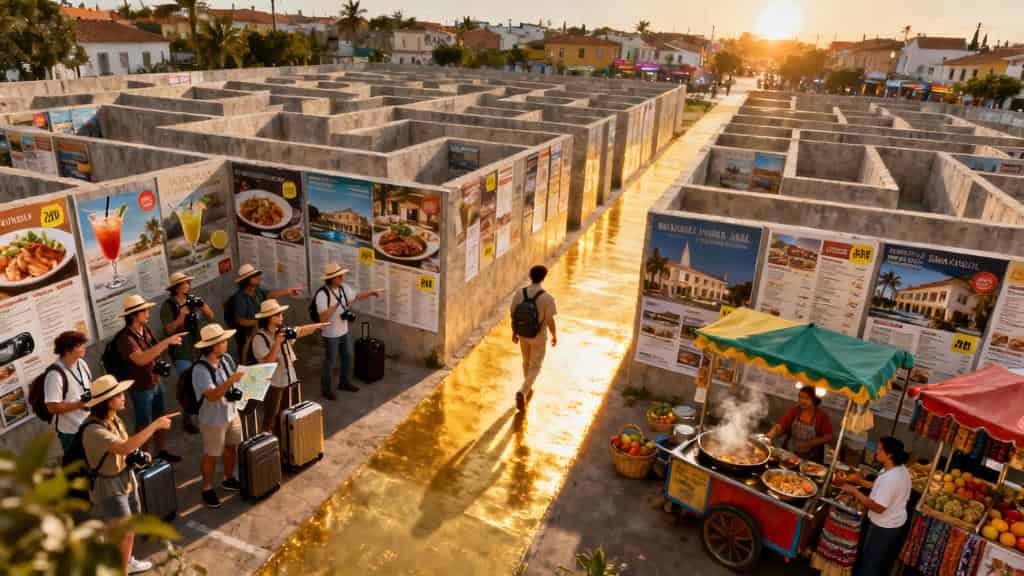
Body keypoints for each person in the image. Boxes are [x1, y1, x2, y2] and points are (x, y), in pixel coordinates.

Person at [81, 374, 176, 574]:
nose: (124, 396)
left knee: (123, 531)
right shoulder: (93, 430)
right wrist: (155, 425)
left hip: (125, 479)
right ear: (107, 401)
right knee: (126, 533)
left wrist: (138, 455)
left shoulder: (113, 419)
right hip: (110, 487)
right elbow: (123, 447)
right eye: (118, 394)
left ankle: (124, 562)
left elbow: (125, 448)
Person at [115, 294, 184, 463]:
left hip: (155, 381)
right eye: (144, 311)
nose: (148, 313)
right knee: (144, 425)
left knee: (160, 418)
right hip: (141, 387)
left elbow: (153, 351)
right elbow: (141, 359)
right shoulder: (125, 338)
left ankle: (161, 451)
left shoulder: (145, 330)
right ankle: (143, 459)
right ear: (134, 315)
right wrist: (166, 342)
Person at [248, 299, 324, 435]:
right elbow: (266, 362)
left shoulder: (282, 331)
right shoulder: (259, 338)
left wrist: (318, 326)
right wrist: (277, 343)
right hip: (274, 385)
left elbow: (299, 331)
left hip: (291, 381)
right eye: (277, 314)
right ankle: (268, 446)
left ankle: (288, 446)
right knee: (271, 418)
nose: (281, 316)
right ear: (268, 318)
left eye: (281, 313)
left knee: (291, 415)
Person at [192, 323, 245, 508]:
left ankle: (228, 478)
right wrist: (231, 380)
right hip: (213, 421)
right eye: (223, 341)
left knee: (232, 447)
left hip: (231, 413)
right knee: (212, 455)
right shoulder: (200, 370)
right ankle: (207, 488)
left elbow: (233, 384)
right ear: (213, 346)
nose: (226, 343)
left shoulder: (226, 359)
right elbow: (213, 396)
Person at [842, 436, 913, 576]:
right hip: (893, 522)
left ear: (889, 454)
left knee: (870, 561)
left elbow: (878, 507)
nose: (876, 452)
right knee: (873, 558)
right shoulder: (896, 468)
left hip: (884, 526)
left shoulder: (892, 478)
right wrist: (860, 481)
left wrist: (854, 491)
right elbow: (878, 487)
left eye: (880, 449)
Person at [314, 263, 383, 400]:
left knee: (348, 356)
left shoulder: (344, 288)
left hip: (344, 331)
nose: (342, 278)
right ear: (332, 278)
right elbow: (322, 318)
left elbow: (355, 296)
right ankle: (326, 389)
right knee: (330, 361)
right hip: (330, 334)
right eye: (339, 276)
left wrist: (371, 292)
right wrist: (336, 306)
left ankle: (344, 382)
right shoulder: (322, 294)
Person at [510, 264, 557, 412]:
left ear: (530, 276)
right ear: (543, 277)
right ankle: (523, 391)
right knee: (535, 366)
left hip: (523, 333)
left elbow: (513, 314)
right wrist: (554, 334)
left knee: (526, 361)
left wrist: (514, 332)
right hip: (538, 336)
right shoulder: (547, 298)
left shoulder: (520, 293)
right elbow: (549, 319)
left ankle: (527, 387)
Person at [230, 264, 302, 353]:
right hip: (249, 335)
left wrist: (288, 291)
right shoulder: (240, 298)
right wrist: (259, 322)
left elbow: (270, 294)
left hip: (263, 328)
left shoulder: (257, 291)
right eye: (254, 276)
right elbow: (240, 321)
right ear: (246, 280)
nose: (258, 277)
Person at [44, 330, 92, 452]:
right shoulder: (54, 375)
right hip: (71, 432)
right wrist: (80, 404)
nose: (83, 348)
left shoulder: (81, 363)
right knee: (78, 468)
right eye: (78, 346)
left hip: (89, 425)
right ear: (67, 350)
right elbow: (52, 407)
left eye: (82, 344)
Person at [161, 272, 214, 374]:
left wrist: (202, 304)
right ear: (176, 288)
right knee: (188, 381)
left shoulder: (192, 300)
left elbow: (211, 316)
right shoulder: (168, 306)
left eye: (188, 282)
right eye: (183, 283)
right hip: (182, 353)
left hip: (199, 348)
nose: (187, 285)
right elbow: (168, 330)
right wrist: (182, 315)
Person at [765, 385, 834, 463]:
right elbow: (782, 424)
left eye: (807, 398)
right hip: (790, 452)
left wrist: (808, 443)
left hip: (811, 457)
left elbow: (828, 436)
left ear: (815, 400)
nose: (802, 401)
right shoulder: (795, 411)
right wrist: (773, 431)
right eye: (800, 397)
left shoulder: (822, 416)